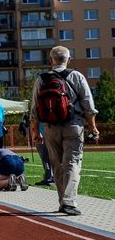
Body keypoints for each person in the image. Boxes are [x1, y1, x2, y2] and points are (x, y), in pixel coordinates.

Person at [29, 46, 99, 216]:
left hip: (50, 128)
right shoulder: (76, 76)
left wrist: (34, 132)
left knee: (56, 164)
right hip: (73, 125)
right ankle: (69, 202)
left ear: (51, 60)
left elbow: (34, 108)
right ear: (69, 59)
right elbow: (88, 106)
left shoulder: (42, 79)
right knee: (72, 162)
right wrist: (93, 127)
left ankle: (63, 201)